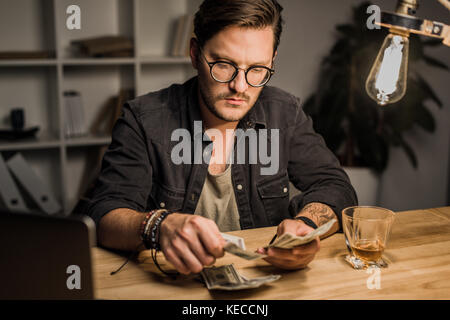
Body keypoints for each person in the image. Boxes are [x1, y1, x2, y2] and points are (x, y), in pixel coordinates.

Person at [86, 0, 357, 275]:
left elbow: (336, 186)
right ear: (194, 54)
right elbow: (105, 214)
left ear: (272, 60)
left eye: (257, 69)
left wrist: (308, 226)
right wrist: (160, 225)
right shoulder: (143, 119)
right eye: (224, 65)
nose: (240, 87)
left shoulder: (284, 113)